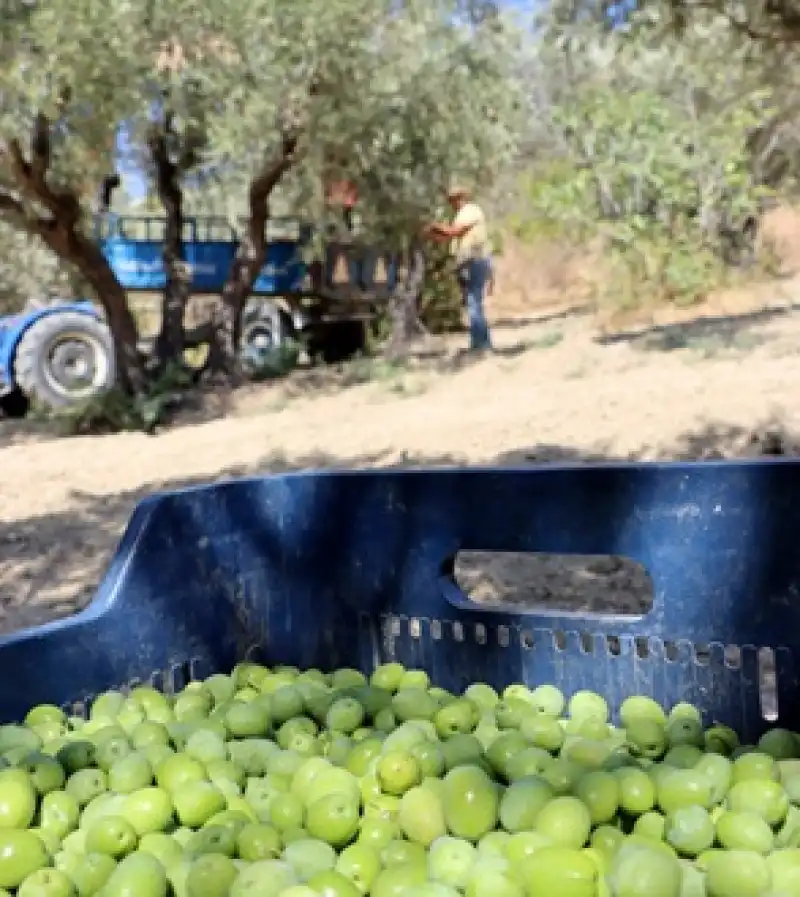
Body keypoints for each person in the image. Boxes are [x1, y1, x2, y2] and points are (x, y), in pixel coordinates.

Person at [424, 183, 493, 352]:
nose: (452, 203)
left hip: (474, 260)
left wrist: (434, 226)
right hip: (468, 261)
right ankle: (479, 341)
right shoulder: (461, 214)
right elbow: (450, 237)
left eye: (454, 199)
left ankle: (482, 343)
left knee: (473, 301)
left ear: (462, 198)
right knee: (472, 301)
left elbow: (455, 232)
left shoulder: (470, 211)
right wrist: (432, 234)